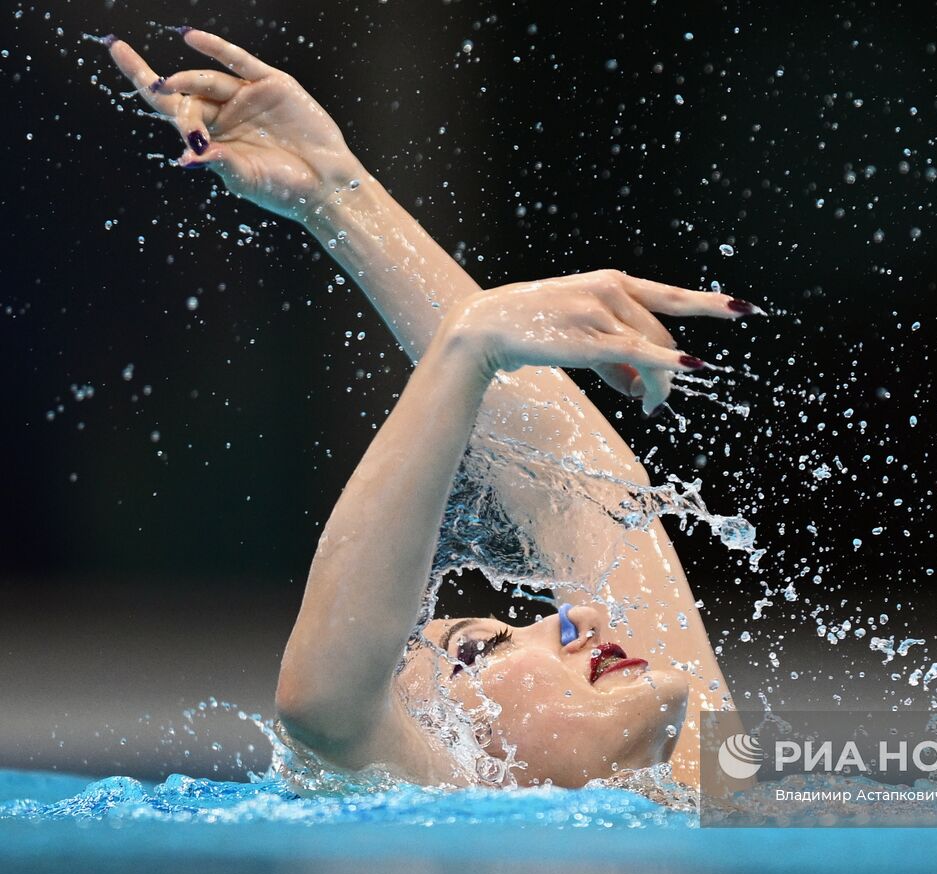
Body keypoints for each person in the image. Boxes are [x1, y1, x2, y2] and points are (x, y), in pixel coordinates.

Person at [104, 28, 757, 789]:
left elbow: (579, 489)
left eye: (497, 636)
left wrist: (339, 197)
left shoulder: (705, 778)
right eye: (483, 646)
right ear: (450, 759)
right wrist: (469, 347)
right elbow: (321, 706)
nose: (579, 617)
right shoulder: (458, 844)